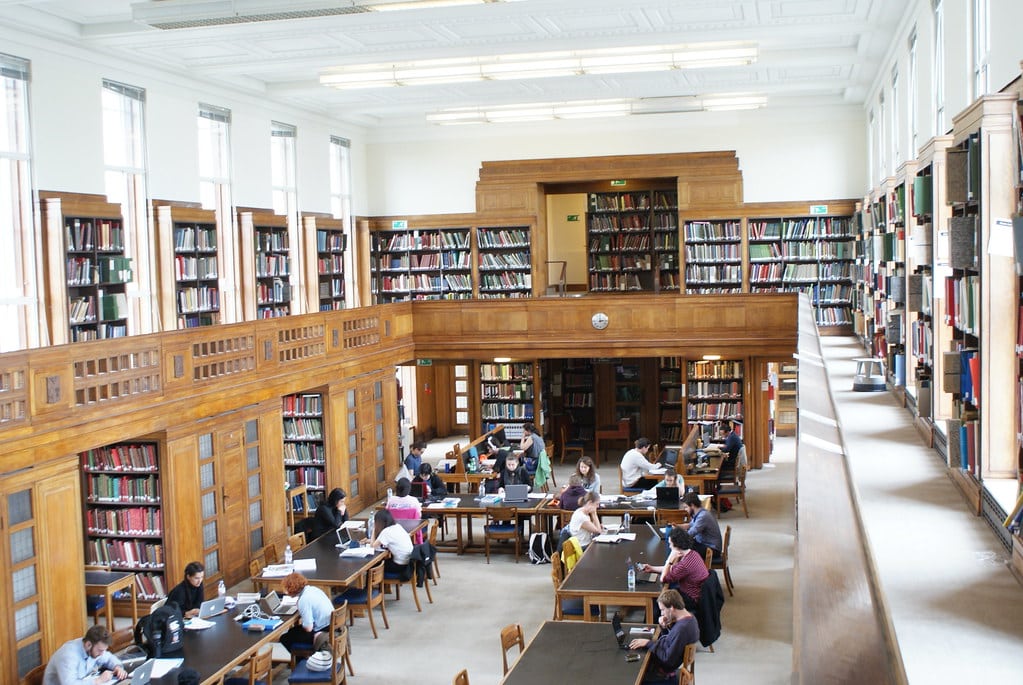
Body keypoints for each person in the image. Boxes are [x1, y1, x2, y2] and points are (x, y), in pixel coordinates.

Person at [628, 589, 699, 682]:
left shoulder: (682, 629)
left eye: (663, 610)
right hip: (665, 665)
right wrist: (664, 627)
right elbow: (671, 642)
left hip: (662, 673)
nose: (662, 614)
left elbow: (667, 659)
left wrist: (648, 643)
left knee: (631, 673)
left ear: (672, 608)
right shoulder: (690, 618)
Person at [639, 527, 709, 606]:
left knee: (657, 600)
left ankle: (653, 616)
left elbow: (664, 578)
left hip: (690, 598)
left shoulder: (685, 565)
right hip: (696, 592)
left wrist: (669, 559)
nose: (669, 547)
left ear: (677, 545)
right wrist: (652, 568)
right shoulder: (692, 553)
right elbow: (672, 569)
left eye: (670, 544)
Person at [44, 625, 126, 685]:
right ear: (88, 645)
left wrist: (117, 667)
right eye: (100, 650)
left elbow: (108, 658)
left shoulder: (93, 648)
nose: (102, 654)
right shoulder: (69, 656)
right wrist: (98, 680)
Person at [279, 571, 333, 653]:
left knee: (285, 638)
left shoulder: (304, 600)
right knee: (292, 631)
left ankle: (300, 661)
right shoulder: (313, 589)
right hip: (331, 625)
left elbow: (308, 628)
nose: (285, 592)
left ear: (292, 589)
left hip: (322, 630)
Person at [367, 509, 414, 579]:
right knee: (382, 561)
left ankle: (373, 587)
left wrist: (374, 528)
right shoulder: (397, 526)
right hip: (408, 563)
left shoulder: (386, 532)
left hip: (400, 566)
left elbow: (372, 547)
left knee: (372, 567)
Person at [680, 491, 722, 559]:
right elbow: (690, 525)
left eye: (686, 507)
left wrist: (677, 536)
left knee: (683, 549)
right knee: (684, 545)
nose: (685, 510)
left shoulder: (703, 516)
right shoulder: (700, 512)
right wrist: (677, 526)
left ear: (692, 505)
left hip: (712, 550)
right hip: (705, 544)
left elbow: (691, 533)